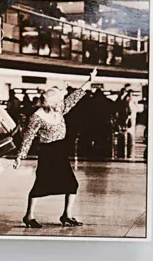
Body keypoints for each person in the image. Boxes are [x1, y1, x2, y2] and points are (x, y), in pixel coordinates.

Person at [14, 69, 97, 228]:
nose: (61, 102)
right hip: (47, 152)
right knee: (40, 185)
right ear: (52, 102)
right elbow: (28, 137)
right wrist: (20, 156)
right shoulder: (37, 116)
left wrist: (89, 80)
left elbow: (75, 97)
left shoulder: (59, 110)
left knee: (72, 184)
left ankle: (67, 215)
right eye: (59, 100)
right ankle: (29, 216)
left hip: (60, 151)